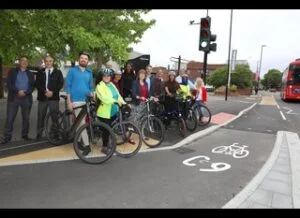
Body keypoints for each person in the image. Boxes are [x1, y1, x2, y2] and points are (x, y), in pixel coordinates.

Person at [1, 56, 35, 144]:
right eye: (22, 61)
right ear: (19, 62)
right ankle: (7, 137)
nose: (24, 62)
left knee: (26, 118)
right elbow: (9, 84)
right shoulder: (12, 72)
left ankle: (25, 135)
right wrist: (17, 91)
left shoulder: (30, 74)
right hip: (14, 97)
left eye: (26, 61)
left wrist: (26, 92)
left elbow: (32, 86)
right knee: (10, 118)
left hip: (26, 98)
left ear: (28, 63)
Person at [65, 51, 94, 155]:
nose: (83, 60)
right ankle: (86, 145)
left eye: (85, 59)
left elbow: (91, 87)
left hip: (86, 101)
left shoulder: (89, 72)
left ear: (88, 61)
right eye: (82, 58)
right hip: (75, 100)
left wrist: (93, 95)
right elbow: (67, 86)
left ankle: (76, 141)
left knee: (78, 122)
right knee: (81, 123)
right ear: (79, 59)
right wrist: (69, 101)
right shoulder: (72, 71)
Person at [96, 68, 126, 154]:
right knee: (106, 130)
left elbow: (118, 95)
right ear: (102, 77)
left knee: (109, 129)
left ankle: (108, 143)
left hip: (113, 111)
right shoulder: (99, 86)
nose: (106, 77)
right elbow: (104, 98)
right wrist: (115, 101)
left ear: (110, 77)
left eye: (108, 75)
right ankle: (104, 147)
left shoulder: (111, 85)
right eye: (104, 75)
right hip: (104, 112)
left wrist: (124, 103)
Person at [35, 55, 64, 141]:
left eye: (50, 61)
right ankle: (39, 134)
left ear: (53, 61)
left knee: (55, 116)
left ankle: (55, 133)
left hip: (54, 98)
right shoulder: (40, 72)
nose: (48, 63)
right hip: (42, 98)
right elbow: (37, 84)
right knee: (41, 116)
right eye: (46, 61)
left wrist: (52, 92)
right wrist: (45, 91)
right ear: (45, 62)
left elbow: (60, 84)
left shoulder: (58, 72)